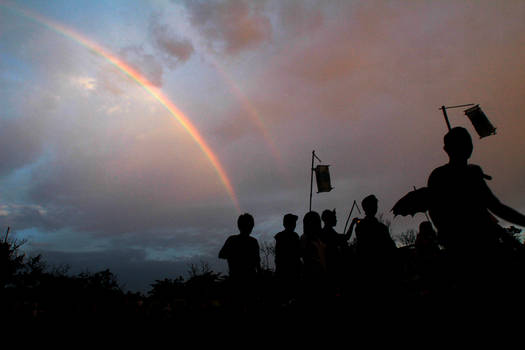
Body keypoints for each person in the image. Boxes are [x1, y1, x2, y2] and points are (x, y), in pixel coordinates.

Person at [426, 127, 525, 301]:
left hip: (460, 250)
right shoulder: (469, 174)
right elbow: (495, 207)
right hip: (480, 249)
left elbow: (436, 213)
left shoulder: (440, 176)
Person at [349, 195, 398, 302]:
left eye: (375, 205)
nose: (375, 207)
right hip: (377, 271)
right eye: (373, 205)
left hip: (371, 271)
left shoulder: (362, 226)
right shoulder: (378, 227)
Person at [219, 213, 261, 312]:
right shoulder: (253, 242)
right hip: (247, 281)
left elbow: (222, 254)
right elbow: (258, 264)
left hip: (238, 280)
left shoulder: (232, 240)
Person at [274, 213, 302, 303]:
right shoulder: (292, 237)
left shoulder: (283, 237)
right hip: (289, 274)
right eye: (292, 222)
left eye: (294, 223)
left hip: (287, 273)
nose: (294, 225)